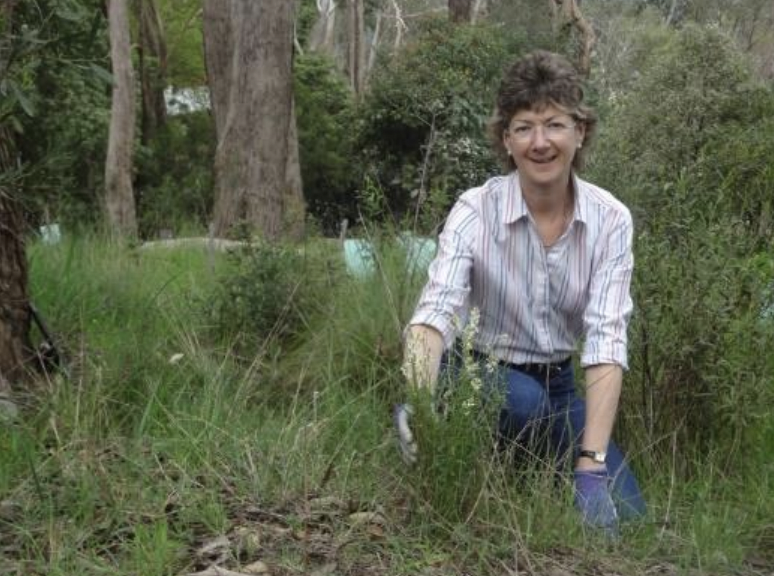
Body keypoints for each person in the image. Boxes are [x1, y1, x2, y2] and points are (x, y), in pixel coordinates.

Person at [398, 50, 646, 532]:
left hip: (558, 386)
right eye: (524, 127)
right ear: (506, 140)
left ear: (580, 131)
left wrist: (591, 465)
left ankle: (544, 469)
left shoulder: (611, 220)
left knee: (630, 517)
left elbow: (606, 341)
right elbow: (434, 316)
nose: (540, 142)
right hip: (473, 370)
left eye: (554, 124)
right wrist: (420, 401)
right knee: (522, 402)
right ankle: (448, 427)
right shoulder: (476, 209)